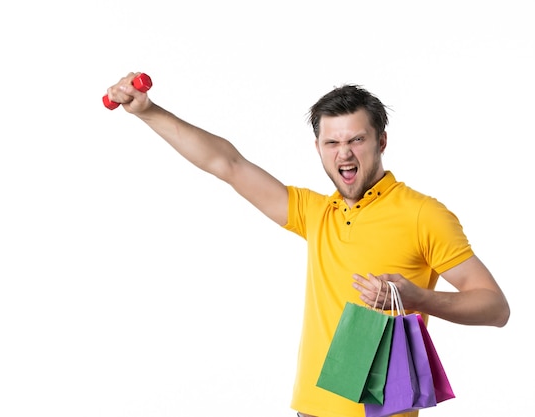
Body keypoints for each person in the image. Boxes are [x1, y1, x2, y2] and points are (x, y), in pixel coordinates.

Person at [105, 72, 510, 417]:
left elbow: (495, 307)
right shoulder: (316, 213)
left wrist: (418, 298)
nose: (344, 154)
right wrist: (149, 112)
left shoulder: (423, 214)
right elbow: (226, 164)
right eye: (332, 143)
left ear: (381, 142)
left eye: (357, 140)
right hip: (310, 408)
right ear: (318, 147)